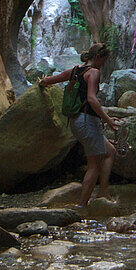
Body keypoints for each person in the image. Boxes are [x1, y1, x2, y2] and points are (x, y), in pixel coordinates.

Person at [38, 44, 120, 207]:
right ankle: (82, 206)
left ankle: (103, 191)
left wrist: (42, 82)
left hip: (76, 122)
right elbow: (91, 98)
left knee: (110, 151)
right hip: (88, 121)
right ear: (98, 57)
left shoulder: (75, 70)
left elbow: (52, 80)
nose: (103, 64)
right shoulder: (94, 72)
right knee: (94, 166)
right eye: (104, 60)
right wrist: (108, 120)